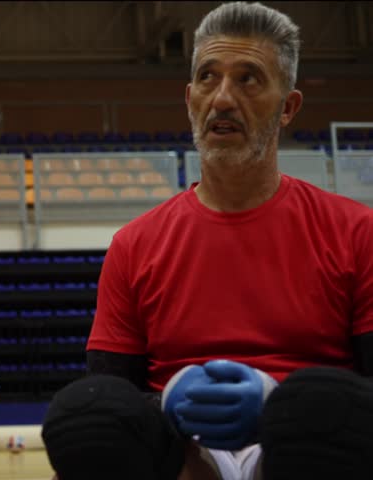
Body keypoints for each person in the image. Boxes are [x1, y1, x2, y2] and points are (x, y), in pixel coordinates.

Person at [43, 3, 373, 480]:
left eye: (249, 79)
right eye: (207, 78)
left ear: (289, 108)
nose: (222, 99)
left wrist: (277, 403)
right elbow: (110, 394)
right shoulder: (135, 244)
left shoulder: (357, 231)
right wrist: (171, 402)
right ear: (189, 99)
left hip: (305, 452)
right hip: (184, 457)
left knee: (312, 409)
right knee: (86, 417)